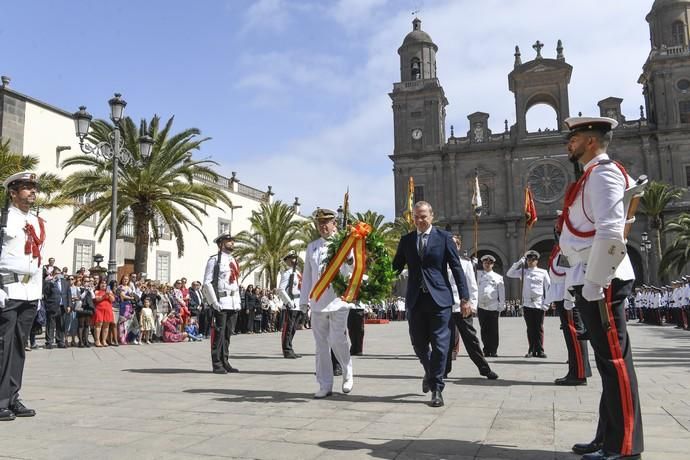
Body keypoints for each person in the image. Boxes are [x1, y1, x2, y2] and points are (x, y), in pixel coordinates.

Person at [559, 116, 644, 460]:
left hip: (602, 281)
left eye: (574, 138)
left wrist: (594, 283)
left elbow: (611, 230)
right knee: (609, 363)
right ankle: (606, 436)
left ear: (590, 141)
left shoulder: (603, 173)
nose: (569, 143)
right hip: (590, 275)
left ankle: (624, 448)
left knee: (615, 363)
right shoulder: (593, 174)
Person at [392, 201, 468, 408]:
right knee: (418, 343)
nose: (419, 220)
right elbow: (395, 267)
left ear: (432, 216)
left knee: (441, 345)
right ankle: (429, 372)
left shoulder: (444, 238)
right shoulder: (407, 240)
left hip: (440, 299)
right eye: (416, 217)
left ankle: (437, 389)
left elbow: (457, 268)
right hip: (416, 300)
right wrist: (378, 274)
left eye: (423, 216)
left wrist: (465, 297)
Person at [0, 172, 44, 421]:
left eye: (33, 187)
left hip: (29, 292)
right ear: (13, 193)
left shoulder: (38, 222)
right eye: (26, 187)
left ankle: (12, 397)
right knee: (3, 347)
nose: (32, 191)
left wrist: (36, 294)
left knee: (18, 347)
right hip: (7, 289)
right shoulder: (4, 220)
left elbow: (36, 261)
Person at [299, 208, 354, 399]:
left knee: (338, 339)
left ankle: (347, 372)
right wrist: (303, 303)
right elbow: (307, 277)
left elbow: (352, 269)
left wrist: (348, 257)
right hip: (317, 302)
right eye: (319, 223)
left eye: (327, 222)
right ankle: (325, 384)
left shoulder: (344, 243)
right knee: (321, 345)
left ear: (334, 224)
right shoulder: (312, 247)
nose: (323, 226)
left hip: (338, 300)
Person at [445, 235, 498, 380]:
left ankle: (484, 369)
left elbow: (472, 287)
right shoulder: (440, 262)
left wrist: (472, 306)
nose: (452, 245)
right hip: (445, 307)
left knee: (471, 340)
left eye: (455, 244)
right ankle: (444, 370)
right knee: (445, 341)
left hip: (463, 307)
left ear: (459, 246)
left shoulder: (466, 263)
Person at [547, 245, 591, 386]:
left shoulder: (567, 248)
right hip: (562, 296)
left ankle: (578, 374)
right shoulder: (559, 249)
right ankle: (577, 371)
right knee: (570, 334)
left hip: (568, 297)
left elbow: (570, 274)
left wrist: (568, 297)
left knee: (574, 333)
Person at [202, 232, 241, 374]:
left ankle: (225, 361)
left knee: (227, 334)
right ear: (221, 244)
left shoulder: (233, 261)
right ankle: (217, 363)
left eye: (232, 241)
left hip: (232, 302)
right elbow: (207, 283)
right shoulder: (214, 260)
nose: (232, 243)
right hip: (221, 301)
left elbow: (235, 283)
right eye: (228, 241)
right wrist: (213, 302)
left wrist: (237, 303)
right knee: (219, 334)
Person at [506, 250, 551, 358]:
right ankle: (531, 349)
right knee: (530, 328)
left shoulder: (543, 272)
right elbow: (509, 274)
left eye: (533, 260)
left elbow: (548, 288)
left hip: (539, 303)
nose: (531, 261)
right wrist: (518, 263)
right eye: (529, 259)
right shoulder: (523, 271)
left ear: (537, 261)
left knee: (539, 328)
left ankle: (540, 350)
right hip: (527, 304)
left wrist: (547, 303)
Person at [476, 254, 505, 357]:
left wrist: (501, 305)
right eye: (485, 263)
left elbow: (501, 292)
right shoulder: (478, 276)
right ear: (483, 264)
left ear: (492, 264)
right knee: (483, 329)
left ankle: (493, 350)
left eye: (489, 263)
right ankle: (486, 349)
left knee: (493, 330)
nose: (487, 264)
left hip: (493, 306)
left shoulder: (498, 277)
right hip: (482, 306)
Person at [277, 251, 304, 358]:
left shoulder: (298, 273)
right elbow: (281, 290)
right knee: (287, 328)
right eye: (292, 258)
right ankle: (286, 350)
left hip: (298, 303)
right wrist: (288, 302)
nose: (294, 261)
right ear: (287, 261)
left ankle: (290, 347)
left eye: (295, 258)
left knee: (293, 328)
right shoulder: (287, 273)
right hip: (291, 304)